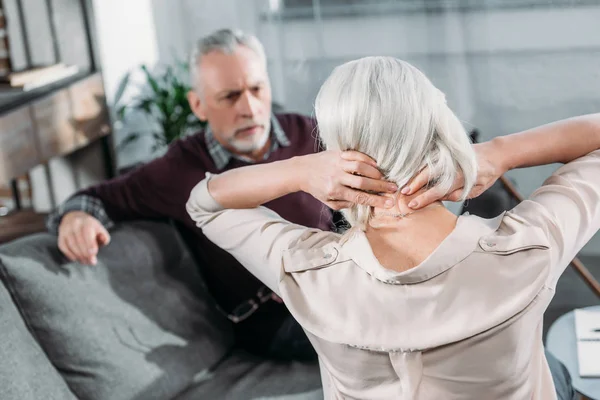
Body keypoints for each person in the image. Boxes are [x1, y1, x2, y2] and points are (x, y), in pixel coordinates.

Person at [186, 56, 597, 399]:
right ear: (441, 131)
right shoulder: (527, 249)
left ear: (334, 150)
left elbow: (205, 203)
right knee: (554, 367)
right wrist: (498, 154)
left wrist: (299, 170)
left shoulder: (307, 270)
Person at [46, 29, 398, 360]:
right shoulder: (178, 169)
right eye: (230, 96)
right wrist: (76, 217)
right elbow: (96, 198)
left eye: (257, 89)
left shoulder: (312, 135)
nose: (249, 108)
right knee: (391, 331)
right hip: (275, 322)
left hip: (341, 287)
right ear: (198, 105)